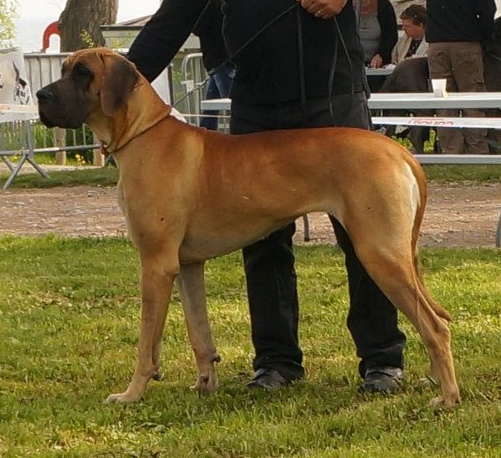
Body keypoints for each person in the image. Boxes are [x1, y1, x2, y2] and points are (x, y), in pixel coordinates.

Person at [127, 0, 406, 394]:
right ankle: (276, 361)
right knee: (260, 241)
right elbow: (170, 22)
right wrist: (115, 95)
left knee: (363, 237)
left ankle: (382, 358)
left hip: (331, 91)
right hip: (257, 99)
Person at [426, 0, 496, 154]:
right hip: (466, 44)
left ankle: (450, 151)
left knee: (443, 101)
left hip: (437, 46)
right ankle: (477, 150)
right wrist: (484, 37)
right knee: (472, 99)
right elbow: (488, 11)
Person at [192, 0, 235, 130]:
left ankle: (240, 136)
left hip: (219, 60)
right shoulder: (219, 5)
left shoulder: (210, 5)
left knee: (231, 105)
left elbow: (198, 28)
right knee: (211, 108)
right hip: (221, 60)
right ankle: (206, 132)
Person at [357, 0, 398, 92]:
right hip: (354, 61)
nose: (361, 8)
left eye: (364, 3)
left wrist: (381, 54)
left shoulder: (384, 6)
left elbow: (391, 36)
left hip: (378, 64)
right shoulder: (346, 9)